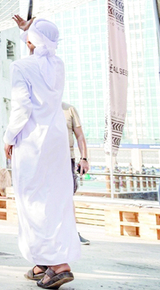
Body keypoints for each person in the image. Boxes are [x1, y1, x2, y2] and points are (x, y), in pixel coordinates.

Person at [5, 15, 80, 289]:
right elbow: (41, 56)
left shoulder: (19, 67)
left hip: (32, 141)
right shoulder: (58, 65)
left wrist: (8, 137)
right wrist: (30, 33)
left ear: (30, 42)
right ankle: (44, 262)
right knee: (55, 199)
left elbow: (21, 108)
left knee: (33, 201)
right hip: (57, 141)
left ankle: (58, 265)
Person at [62, 102, 91, 245]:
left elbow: (80, 136)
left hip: (67, 159)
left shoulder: (69, 109)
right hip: (47, 160)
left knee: (67, 197)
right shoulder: (40, 107)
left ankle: (72, 232)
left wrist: (84, 158)